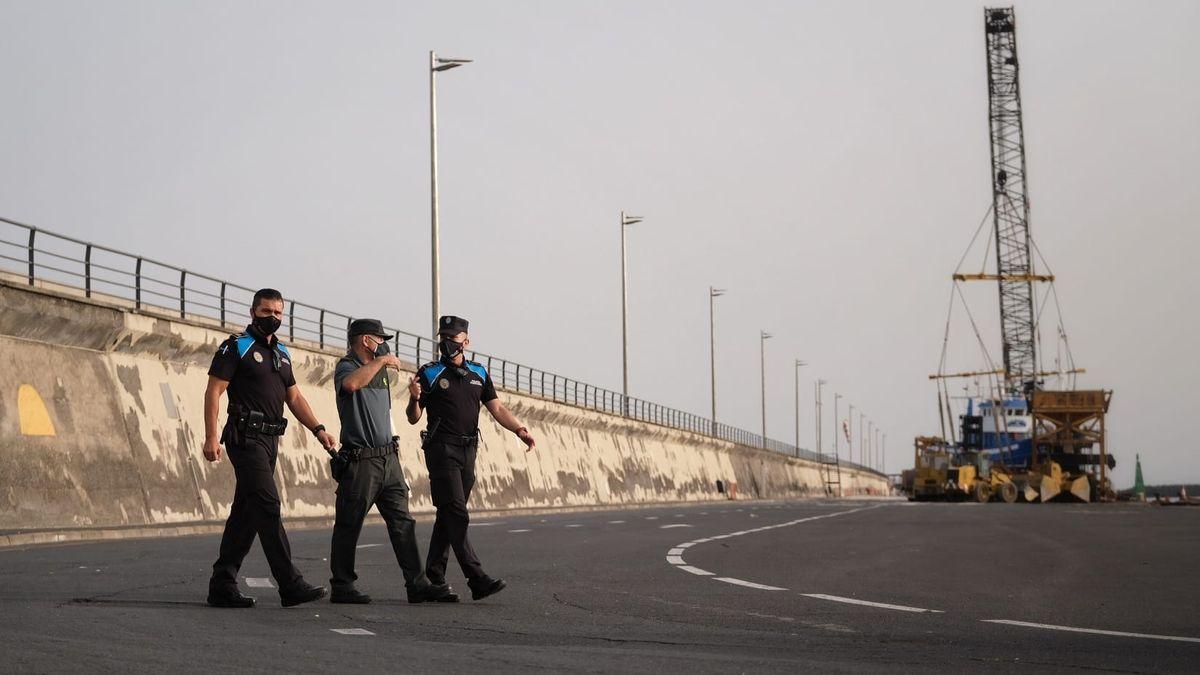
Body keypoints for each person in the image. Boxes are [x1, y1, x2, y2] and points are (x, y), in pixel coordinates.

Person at [203, 288, 334, 608]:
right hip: (244, 437)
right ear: (252, 312)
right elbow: (214, 391)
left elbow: (295, 398)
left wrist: (319, 430)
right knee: (268, 504)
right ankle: (290, 583)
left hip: (270, 440)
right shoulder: (236, 346)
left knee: (246, 514)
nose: (272, 319)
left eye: (277, 313)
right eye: (266, 312)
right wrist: (210, 436)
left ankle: (222, 584)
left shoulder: (282, 353)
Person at [407, 315, 536, 601]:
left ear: (466, 341)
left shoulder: (478, 372)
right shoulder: (429, 372)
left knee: (448, 514)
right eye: (443, 337)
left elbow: (497, 409)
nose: (447, 343)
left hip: (469, 450)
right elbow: (413, 418)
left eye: (452, 338)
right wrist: (414, 397)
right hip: (441, 449)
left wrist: (520, 430)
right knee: (456, 513)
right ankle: (476, 578)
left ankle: (434, 577)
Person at [328, 318, 455, 604]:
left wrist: (413, 400)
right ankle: (343, 585)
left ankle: (417, 583)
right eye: (379, 338)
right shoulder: (347, 366)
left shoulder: (382, 373)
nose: (383, 344)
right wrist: (383, 360)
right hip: (360, 461)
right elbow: (350, 385)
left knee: (402, 522)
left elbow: (386, 415)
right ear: (364, 340)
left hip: (388, 459)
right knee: (349, 523)